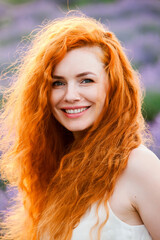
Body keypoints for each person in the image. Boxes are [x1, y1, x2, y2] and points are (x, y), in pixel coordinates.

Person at [0, 14, 160, 240]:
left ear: (111, 87)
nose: (70, 95)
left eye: (86, 80)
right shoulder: (58, 168)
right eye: (58, 83)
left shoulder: (137, 166)